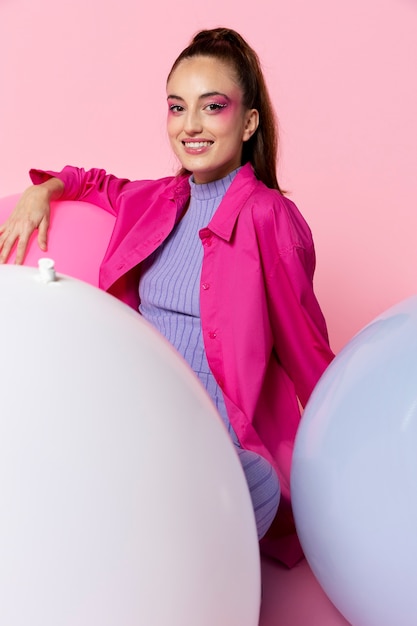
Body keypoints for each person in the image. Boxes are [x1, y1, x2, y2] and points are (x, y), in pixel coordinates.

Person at [0, 27, 334, 567]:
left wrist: (353, 449)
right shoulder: (156, 199)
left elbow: (308, 352)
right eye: (177, 107)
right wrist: (44, 190)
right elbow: (92, 181)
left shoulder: (271, 218)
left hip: (221, 451)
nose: (190, 125)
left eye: (213, 107)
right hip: (136, 417)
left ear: (248, 122)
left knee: (146, 527)